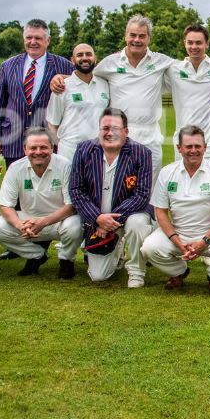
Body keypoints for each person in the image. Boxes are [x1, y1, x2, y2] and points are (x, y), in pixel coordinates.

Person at [58, 16, 175, 180]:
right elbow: (85, 76)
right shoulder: (110, 63)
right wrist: (62, 78)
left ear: (149, 38)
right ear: (126, 36)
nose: (136, 40)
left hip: (150, 136)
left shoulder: (161, 61)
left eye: (142, 36)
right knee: (119, 184)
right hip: (119, 135)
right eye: (132, 35)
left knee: (150, 186)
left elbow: (188, 68)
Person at [140, 126, 210, 294]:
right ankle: (178, 272)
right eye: (188, 146)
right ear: (179, 148)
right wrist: (177, 241)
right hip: (178, 235)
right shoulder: (167, 172)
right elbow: (161, 212)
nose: (193, 150)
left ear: (205, 147)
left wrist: (203, 242)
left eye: (197, 146)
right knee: (149, 248)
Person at [68, 108, 154, 286]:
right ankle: (117, 250)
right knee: (99, 276)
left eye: (115, 128)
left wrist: (110, 221)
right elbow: (76, 190)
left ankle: (136, 271)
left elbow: (142, 195)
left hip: (129, 215)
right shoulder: (84, 150)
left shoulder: (142, 153)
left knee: (138, 224)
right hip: (97, 219)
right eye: (105, 128)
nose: (109, 133)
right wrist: (98, 218)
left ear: (126, 131)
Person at [0, 127, 83, 279]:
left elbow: (71, 206)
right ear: (25, 149)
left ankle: (66, 260)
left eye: (43, 147)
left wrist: (43, 222)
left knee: (76, 225)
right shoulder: (15, 168)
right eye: (33, 148)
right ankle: (36, 255)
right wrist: (20, 225)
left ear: (52, 148)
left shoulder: (65, 166)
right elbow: (5, 205)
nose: (38, 152)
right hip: (29, 221)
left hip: (59, 220)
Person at [0, 19, 73, 168]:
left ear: (48, 40)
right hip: (14, 139)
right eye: (29, 38)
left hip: (48, 141)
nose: (32, 42)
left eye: (38, 38)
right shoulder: (8, 65)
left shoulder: (64, 65)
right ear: (24, 39)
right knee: (16, 181)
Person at [165, 24, 210, 162]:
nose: (194, 47)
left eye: (198, 43)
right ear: (184, 43)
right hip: (182, 142)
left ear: (207, 44)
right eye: (190, 42)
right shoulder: (173, 69)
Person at [45, 43, 110, 164]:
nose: (85, 58)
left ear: (95, 58)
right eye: (80, 55)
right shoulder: (62, 87)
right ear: (73, 60)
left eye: (88, 54)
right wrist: (62, 146)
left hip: (99, 151)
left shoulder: (104, 84)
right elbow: (52, 124)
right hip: (70, 152)